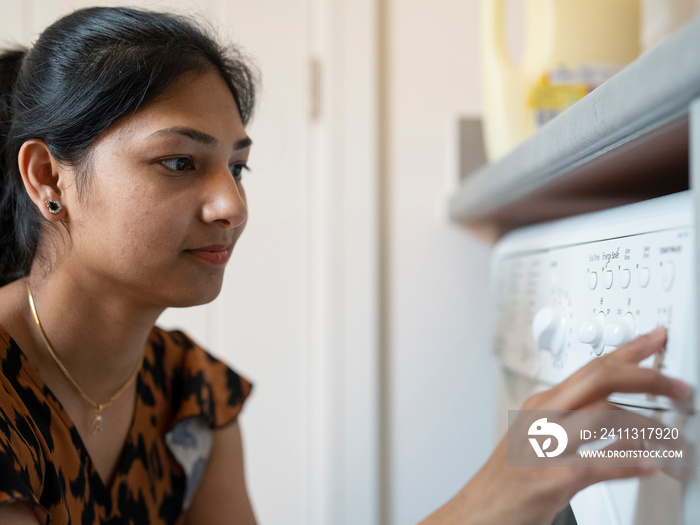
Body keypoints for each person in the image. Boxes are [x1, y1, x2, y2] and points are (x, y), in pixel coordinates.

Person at [0, 6, 692, 525]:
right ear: (47, 178)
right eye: (179, 162)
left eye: (238, 166)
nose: (230, 204)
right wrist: (492, 495)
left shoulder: (190, 394)